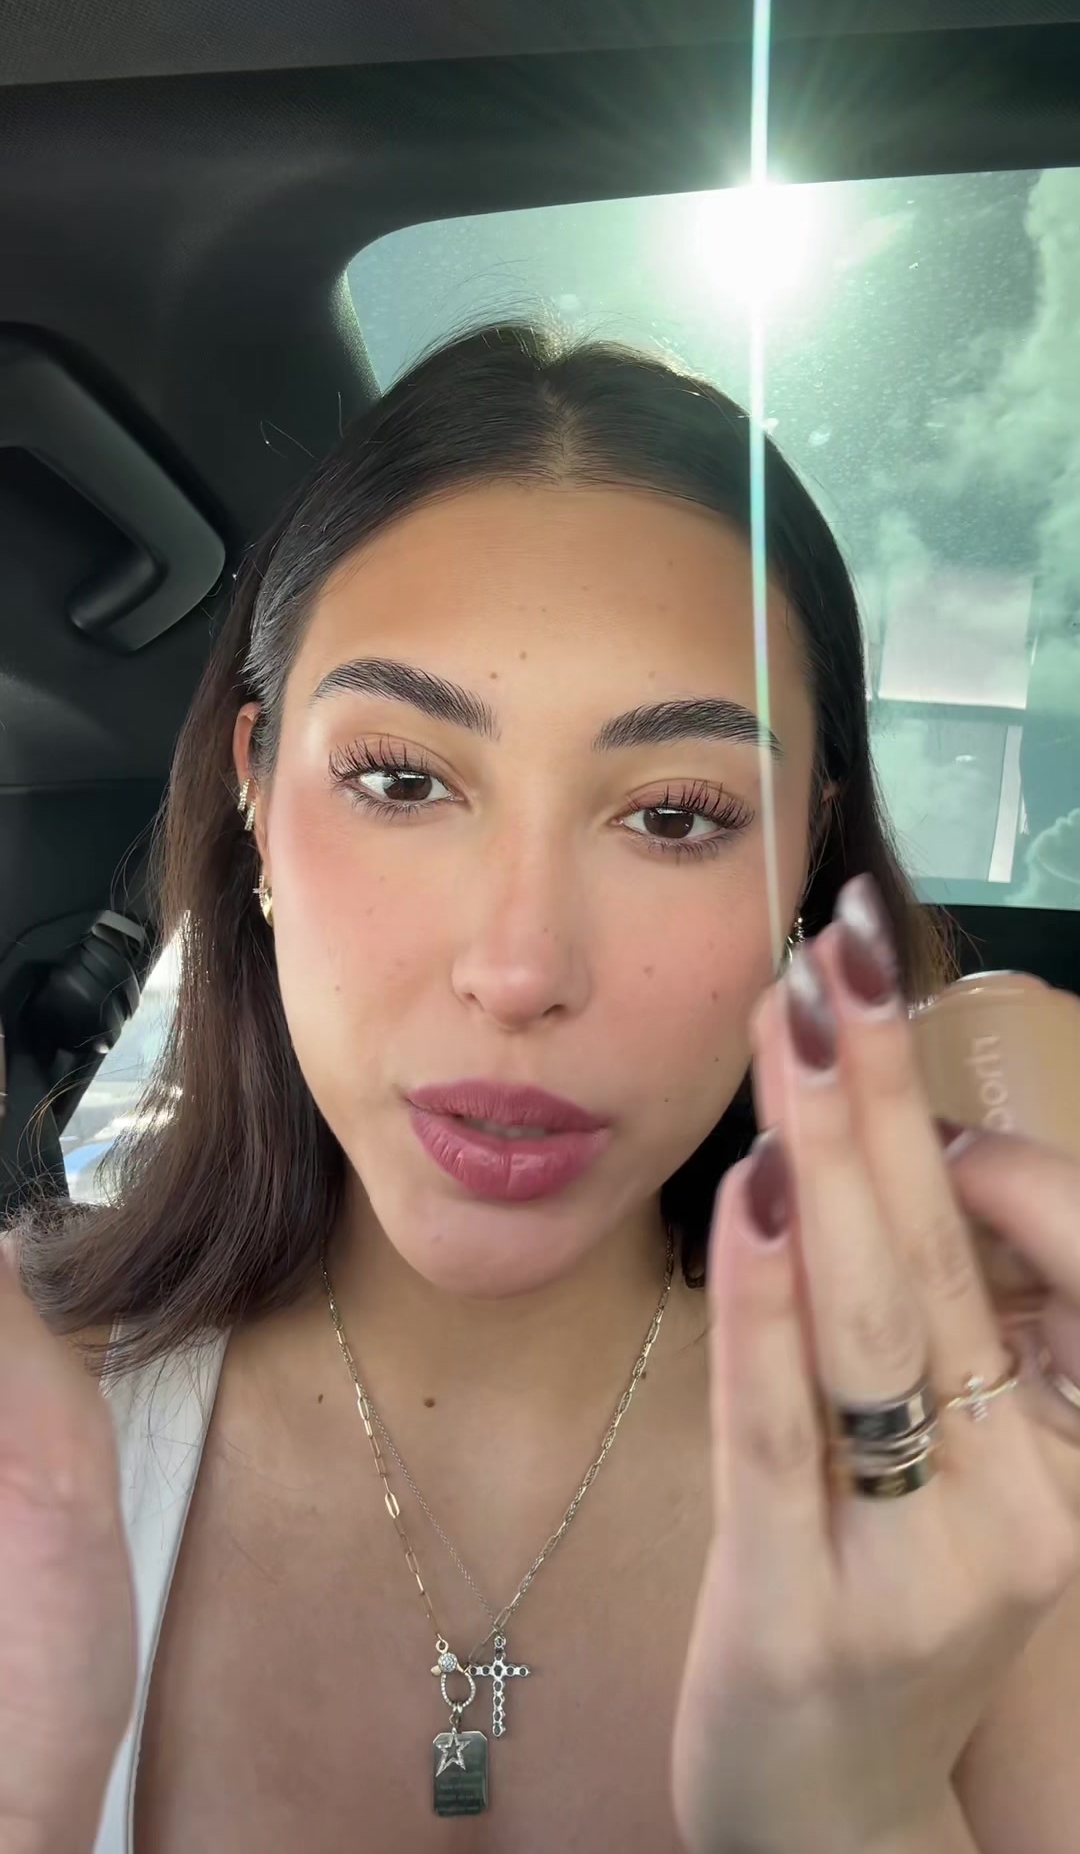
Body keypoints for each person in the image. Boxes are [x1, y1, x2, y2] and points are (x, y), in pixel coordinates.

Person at [5, 324, 1080, 1854]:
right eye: (400, 781)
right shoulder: (27, 1431)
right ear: (253, 794)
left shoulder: (1004, 1515)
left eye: (677, 815)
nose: (519, 969)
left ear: (803, 856)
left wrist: (861, 1810)